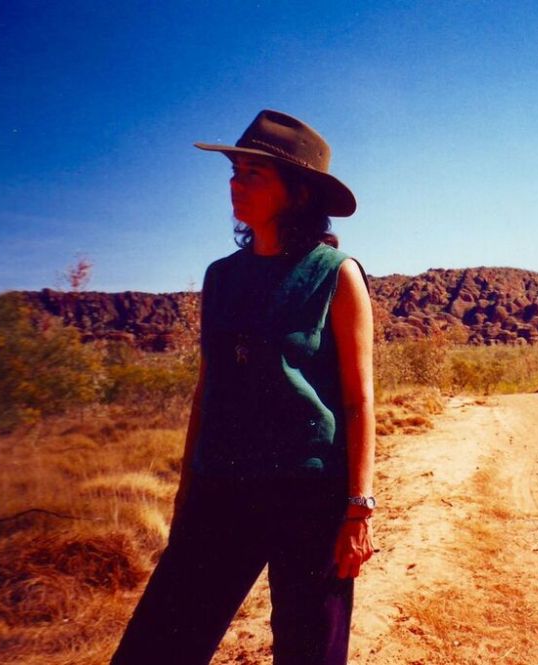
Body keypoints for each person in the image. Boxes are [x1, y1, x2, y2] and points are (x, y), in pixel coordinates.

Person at [111, 110, 375, 665]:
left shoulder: (334, 272)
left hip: (309, 495)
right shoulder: (221, 277)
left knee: (309, 652)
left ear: (299, 191)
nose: (236, 183)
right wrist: (186, 492)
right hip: (221, 487)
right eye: (235, 171)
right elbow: (207, 390)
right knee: (158, 645)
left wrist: (358, 511)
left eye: (254, 173)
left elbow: (358, 400)